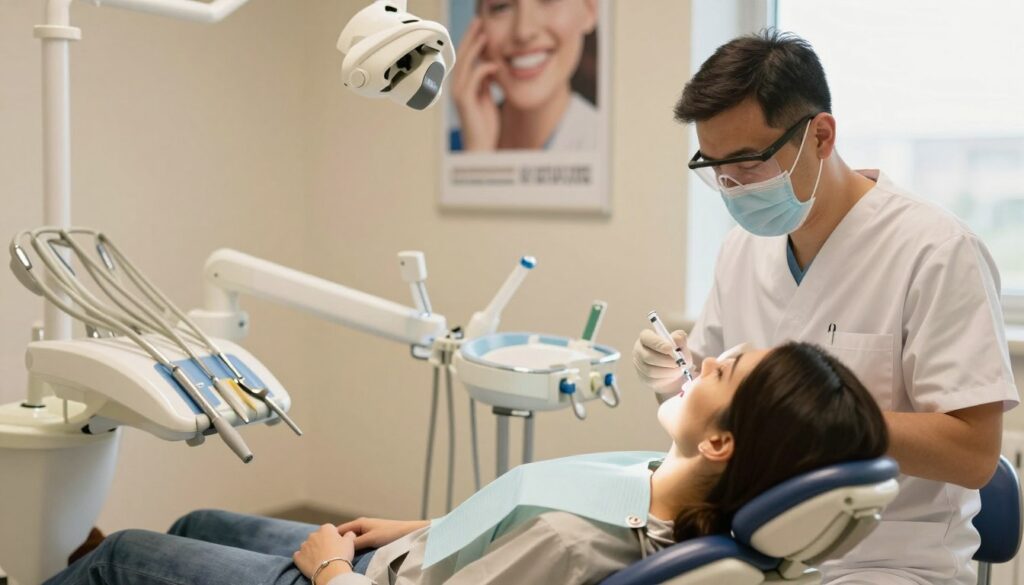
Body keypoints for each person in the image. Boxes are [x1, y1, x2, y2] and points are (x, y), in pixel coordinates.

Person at [633, 29, 1019, 585]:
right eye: (716, 169)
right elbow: (711, 400)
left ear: (821, 135)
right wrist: (676, 375)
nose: (733, 186)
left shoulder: (934, 251)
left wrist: (823, 426)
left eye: (748, 162)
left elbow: (975, 454)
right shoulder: (742, 249)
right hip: (749, 550)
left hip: (888, 561)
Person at [46, 342, 888, 585]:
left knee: (122, 555)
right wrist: (418, 526)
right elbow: (533, 505)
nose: (709, 356)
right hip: (402, 555)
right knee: (193, 524)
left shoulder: (576, 544)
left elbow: (548, 533)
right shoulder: (657, 492)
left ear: (722, 444)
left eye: (726, 370)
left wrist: (336, 568)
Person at [449, 0, 599, 151]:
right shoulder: (440, 151)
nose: (523, 32)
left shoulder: (612, 147)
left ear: (590, 9)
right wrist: (477, 155)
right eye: (501, 6)